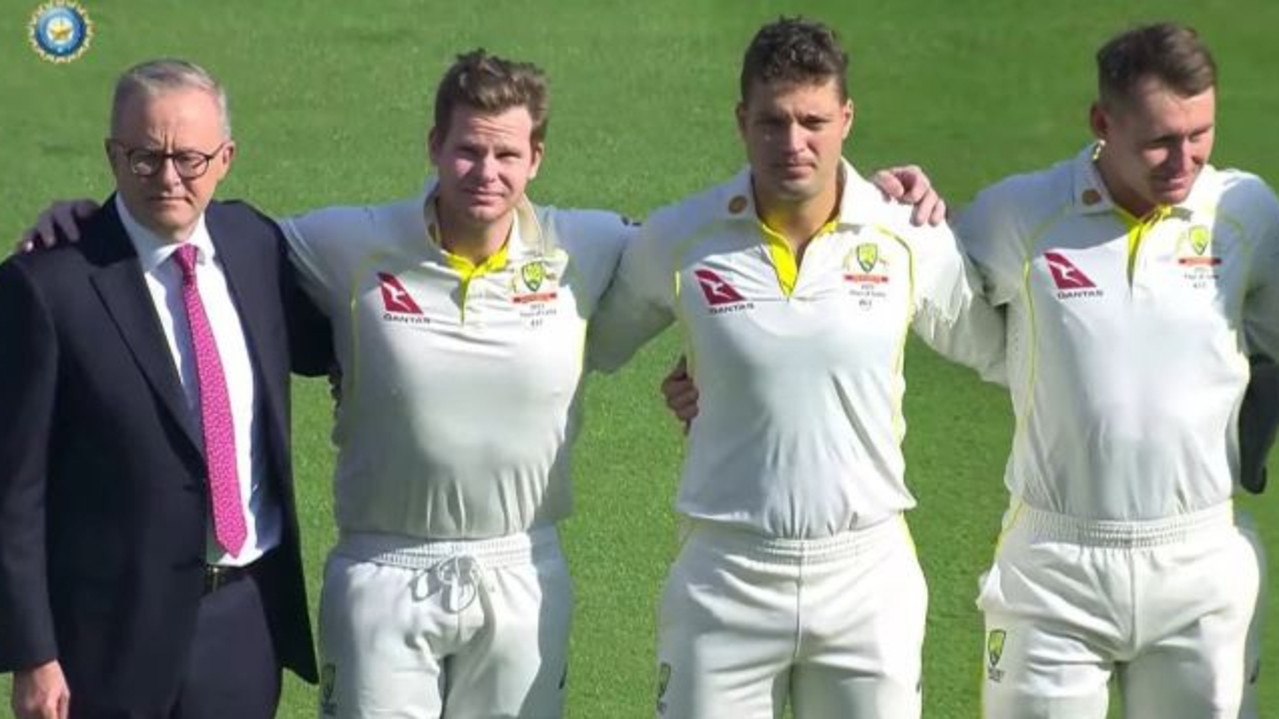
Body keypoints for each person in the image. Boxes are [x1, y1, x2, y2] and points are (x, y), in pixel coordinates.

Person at [16, 49, 944, 719]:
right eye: (467, 150)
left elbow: (728, 265)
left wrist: (877, 197)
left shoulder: (592, 243)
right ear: (433, 146)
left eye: (506, 153)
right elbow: (191, 226)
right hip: (384, 571)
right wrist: (90, 223)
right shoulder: (343, 241)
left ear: (535, 158)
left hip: (521, 568)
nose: (485, 172)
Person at [587, 17, 1005, 718]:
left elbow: (1002, 352)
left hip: (865, 576)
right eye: (771, 122)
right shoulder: (681, 237)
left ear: (845, 118)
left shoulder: (904, 237)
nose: (793, 143)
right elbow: (584, 343)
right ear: (740, 120)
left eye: (812, 120)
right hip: (725, 574)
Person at [956, 21, 1279, 718]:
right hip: (1055, 565)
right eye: (1160, 139)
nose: (1183, 159)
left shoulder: (1245, 212)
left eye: (1200, 133)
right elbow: (904, 290)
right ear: (1102, 122)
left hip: (1198, 561)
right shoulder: (1020, 212)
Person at [0, 59, 331, 719]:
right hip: (105, 639)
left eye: (188, 157)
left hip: (242, 621)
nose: (169, 178)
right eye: (144, 157)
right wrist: (32, 654)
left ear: (226, 157)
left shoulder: (254, 244)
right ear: (111, 155)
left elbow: (336, 344)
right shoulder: (47, 284)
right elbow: (13, 487)